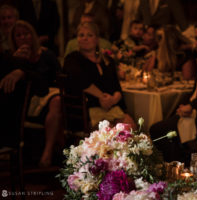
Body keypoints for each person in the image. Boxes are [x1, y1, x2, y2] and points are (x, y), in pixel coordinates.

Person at [149, 21, 197, 165]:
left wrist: (191, 106)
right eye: (196, 38)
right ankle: (179, 165)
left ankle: (180, 166)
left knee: (158, 130)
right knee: (163, 129)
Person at [8, 20, 63, 167]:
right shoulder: (12, 59)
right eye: (19, 35)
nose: (23, 38)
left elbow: (58, 77)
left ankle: (48, 152)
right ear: (14, 39)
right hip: (23, 102)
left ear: (32, 35)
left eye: (26, 34)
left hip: (49, 96)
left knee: (57, 100)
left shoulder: (46, 54)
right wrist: (17, 61)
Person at [63, 22, 136, 129]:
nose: (85, 38)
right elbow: (80, 80)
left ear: (97, 39)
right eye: (81, 35)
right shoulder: (73, 59)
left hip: (111, 107)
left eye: (89, 35)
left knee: (130, 126)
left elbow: (116, 87)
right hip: (87, 110)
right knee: (109, 131)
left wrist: (113, 100)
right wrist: (101, 97)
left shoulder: (107, 60)